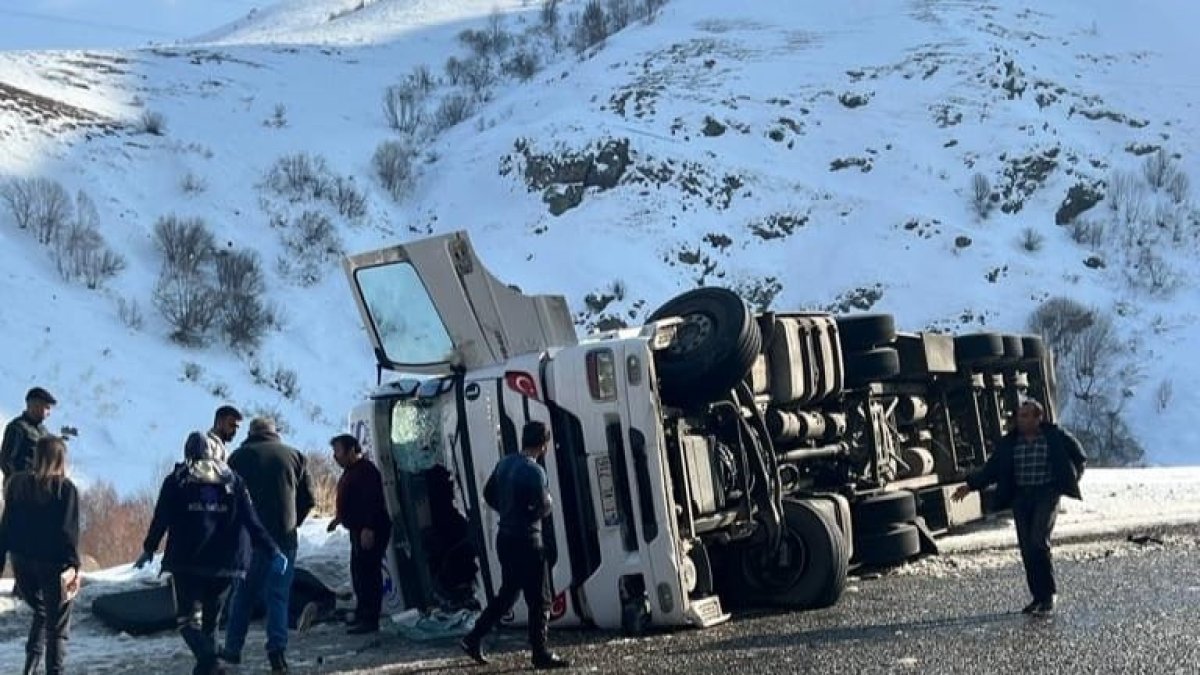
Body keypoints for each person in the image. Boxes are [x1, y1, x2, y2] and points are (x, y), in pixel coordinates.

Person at [137, 432, 286, 675]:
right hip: (227, 565)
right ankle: (208, 668)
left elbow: (161, 518)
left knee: (187, 622)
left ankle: (213, 664)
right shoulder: (233, 481)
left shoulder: (177, 480)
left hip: (188, 562)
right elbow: (251, 520)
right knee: (210, 623)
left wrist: (149, 548)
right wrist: (272, 550)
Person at [952, 398, 1087, 615]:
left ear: (1038, 417)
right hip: (1022, 497)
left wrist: (1071, 479)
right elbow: (991, 469)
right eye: (1019, 416)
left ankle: (1049, 594)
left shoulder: (1054, 436)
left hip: (1046, 494)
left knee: (1038, 541)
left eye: (1026, 416)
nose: (1021, 420)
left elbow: (1079, 456)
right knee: (1027, 548)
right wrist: (970, 485)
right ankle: (1037, 597)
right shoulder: (1010, 443)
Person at [460, 420, 569, 670]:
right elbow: (542, 507)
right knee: (539, 600)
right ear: (544, 445)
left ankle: (473, 637)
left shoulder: (505, 463)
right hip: (528, 540)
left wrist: (507, 511)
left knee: (508, 594)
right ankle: (540, 653)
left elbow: (488, 494)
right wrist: (546, 504)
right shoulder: (534, 471)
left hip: (505, 537)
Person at [222, 417, 315, 675]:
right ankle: (277, 653)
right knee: (278, 597)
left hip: (249, 542)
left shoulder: (238, 458)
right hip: (284, 540)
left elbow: (227, 501)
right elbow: (310, 498)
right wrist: (293, 521)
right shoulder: (295, 456)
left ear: (251, 434)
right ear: (275, 434)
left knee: (243, 596)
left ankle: (232, 649)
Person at [0, 435, 80, 675]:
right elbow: (69, 531)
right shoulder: (64, 489)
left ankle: (30, 666)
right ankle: (54, 671)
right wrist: (74, 566)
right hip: (53, 566)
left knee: (42, 610)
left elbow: (6, 527)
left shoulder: (17, 485)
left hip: (23, 564)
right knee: (57, 627)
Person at [328, 433, 391, 634]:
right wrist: (339, 518)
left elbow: (373, 501)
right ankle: (362, 612)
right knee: (358, 572)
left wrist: (368, 528)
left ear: (351, 450)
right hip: (357, 528)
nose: (335, 456)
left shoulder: (366, 471)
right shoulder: (350, 472)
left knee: (368, 573)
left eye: (338, 451)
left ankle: (370, 618)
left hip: (370, 528)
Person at [1, 387, 57, 488]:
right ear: (35, 405)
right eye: (47, 407)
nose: (49, 413)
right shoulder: (17, 428)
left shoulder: (44, 432)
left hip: (40, 487)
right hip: (21, 488)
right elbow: (6, 460)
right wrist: (18, 482)